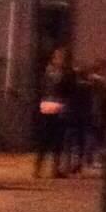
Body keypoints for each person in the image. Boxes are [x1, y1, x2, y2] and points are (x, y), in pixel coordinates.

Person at [35, 47, 73, 178]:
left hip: (46, 106)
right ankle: (54, 170)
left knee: (44, 140)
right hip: (58, 107)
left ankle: (38, 169)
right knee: (57, 140)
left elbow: (42, 87)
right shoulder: (65, 73)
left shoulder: (47, 71)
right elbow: (69, 90)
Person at [82, 66, 106, 169]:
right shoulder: (100, 84)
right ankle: (93, 159)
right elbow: (102, 102)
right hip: (98, 114)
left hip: (91, 114)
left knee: (91, 137)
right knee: (96, 138)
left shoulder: (88, 83)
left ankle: (88, 159)